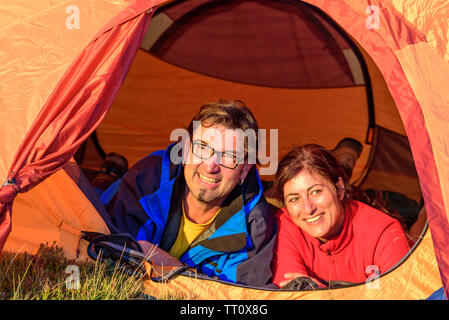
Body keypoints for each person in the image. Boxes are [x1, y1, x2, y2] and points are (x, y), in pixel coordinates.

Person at [105, 99, 277, 286]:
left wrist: (171, 266)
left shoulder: (255, 225)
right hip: (109, 194)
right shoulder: (149, 176)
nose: (211, 166)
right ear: (186, 149)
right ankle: (108, 172)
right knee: (97, 188)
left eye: (229, 156)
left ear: (244, 170)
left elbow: (240, 298)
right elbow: (109, 250)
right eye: (202, 148)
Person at [271, 144, 410, 289]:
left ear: (339, 188)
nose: (308, 208)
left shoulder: (383, 232)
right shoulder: (284, 225)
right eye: (294, 199)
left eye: (316, 192)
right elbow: (290, 293)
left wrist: (317, 291)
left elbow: (399, 294)